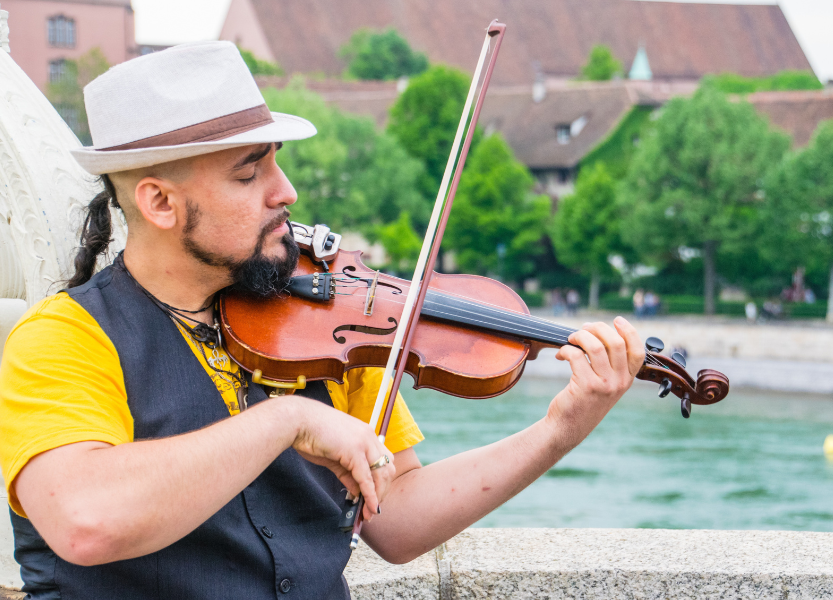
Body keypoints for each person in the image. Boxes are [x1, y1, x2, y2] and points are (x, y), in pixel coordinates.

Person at [0, 42, 644, 599]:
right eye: (250, 173)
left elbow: (395, 516)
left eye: (276, 161)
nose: (285, 191)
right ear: (161, 203)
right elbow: (85, 521)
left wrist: (560, 429)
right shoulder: (64, 339)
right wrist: (285, 421)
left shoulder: (323, 323)